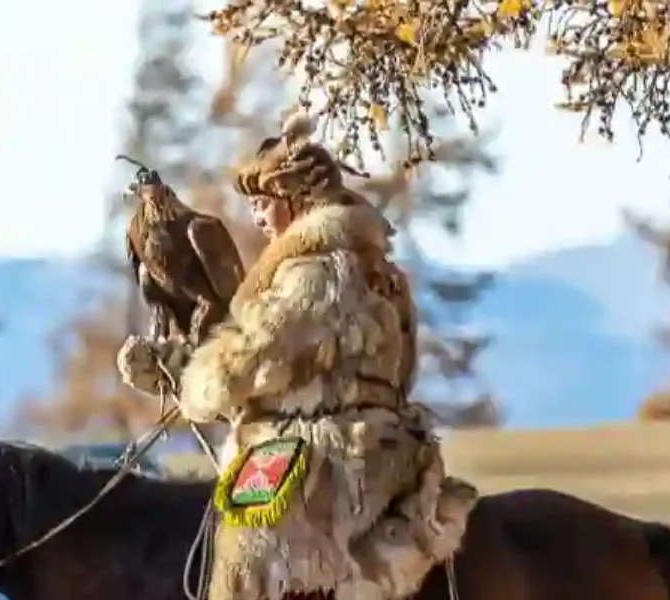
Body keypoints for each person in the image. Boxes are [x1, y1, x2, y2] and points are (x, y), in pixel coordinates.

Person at [117, 114, 479, 600]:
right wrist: (180, 369)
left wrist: (188, 378)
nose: (257, 218)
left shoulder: (316, 272)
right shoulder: (375, 268)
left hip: (334, 458)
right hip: (383, 445)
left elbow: (244, 365)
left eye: (263, 203)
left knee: (246, 556)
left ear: (298, 199)